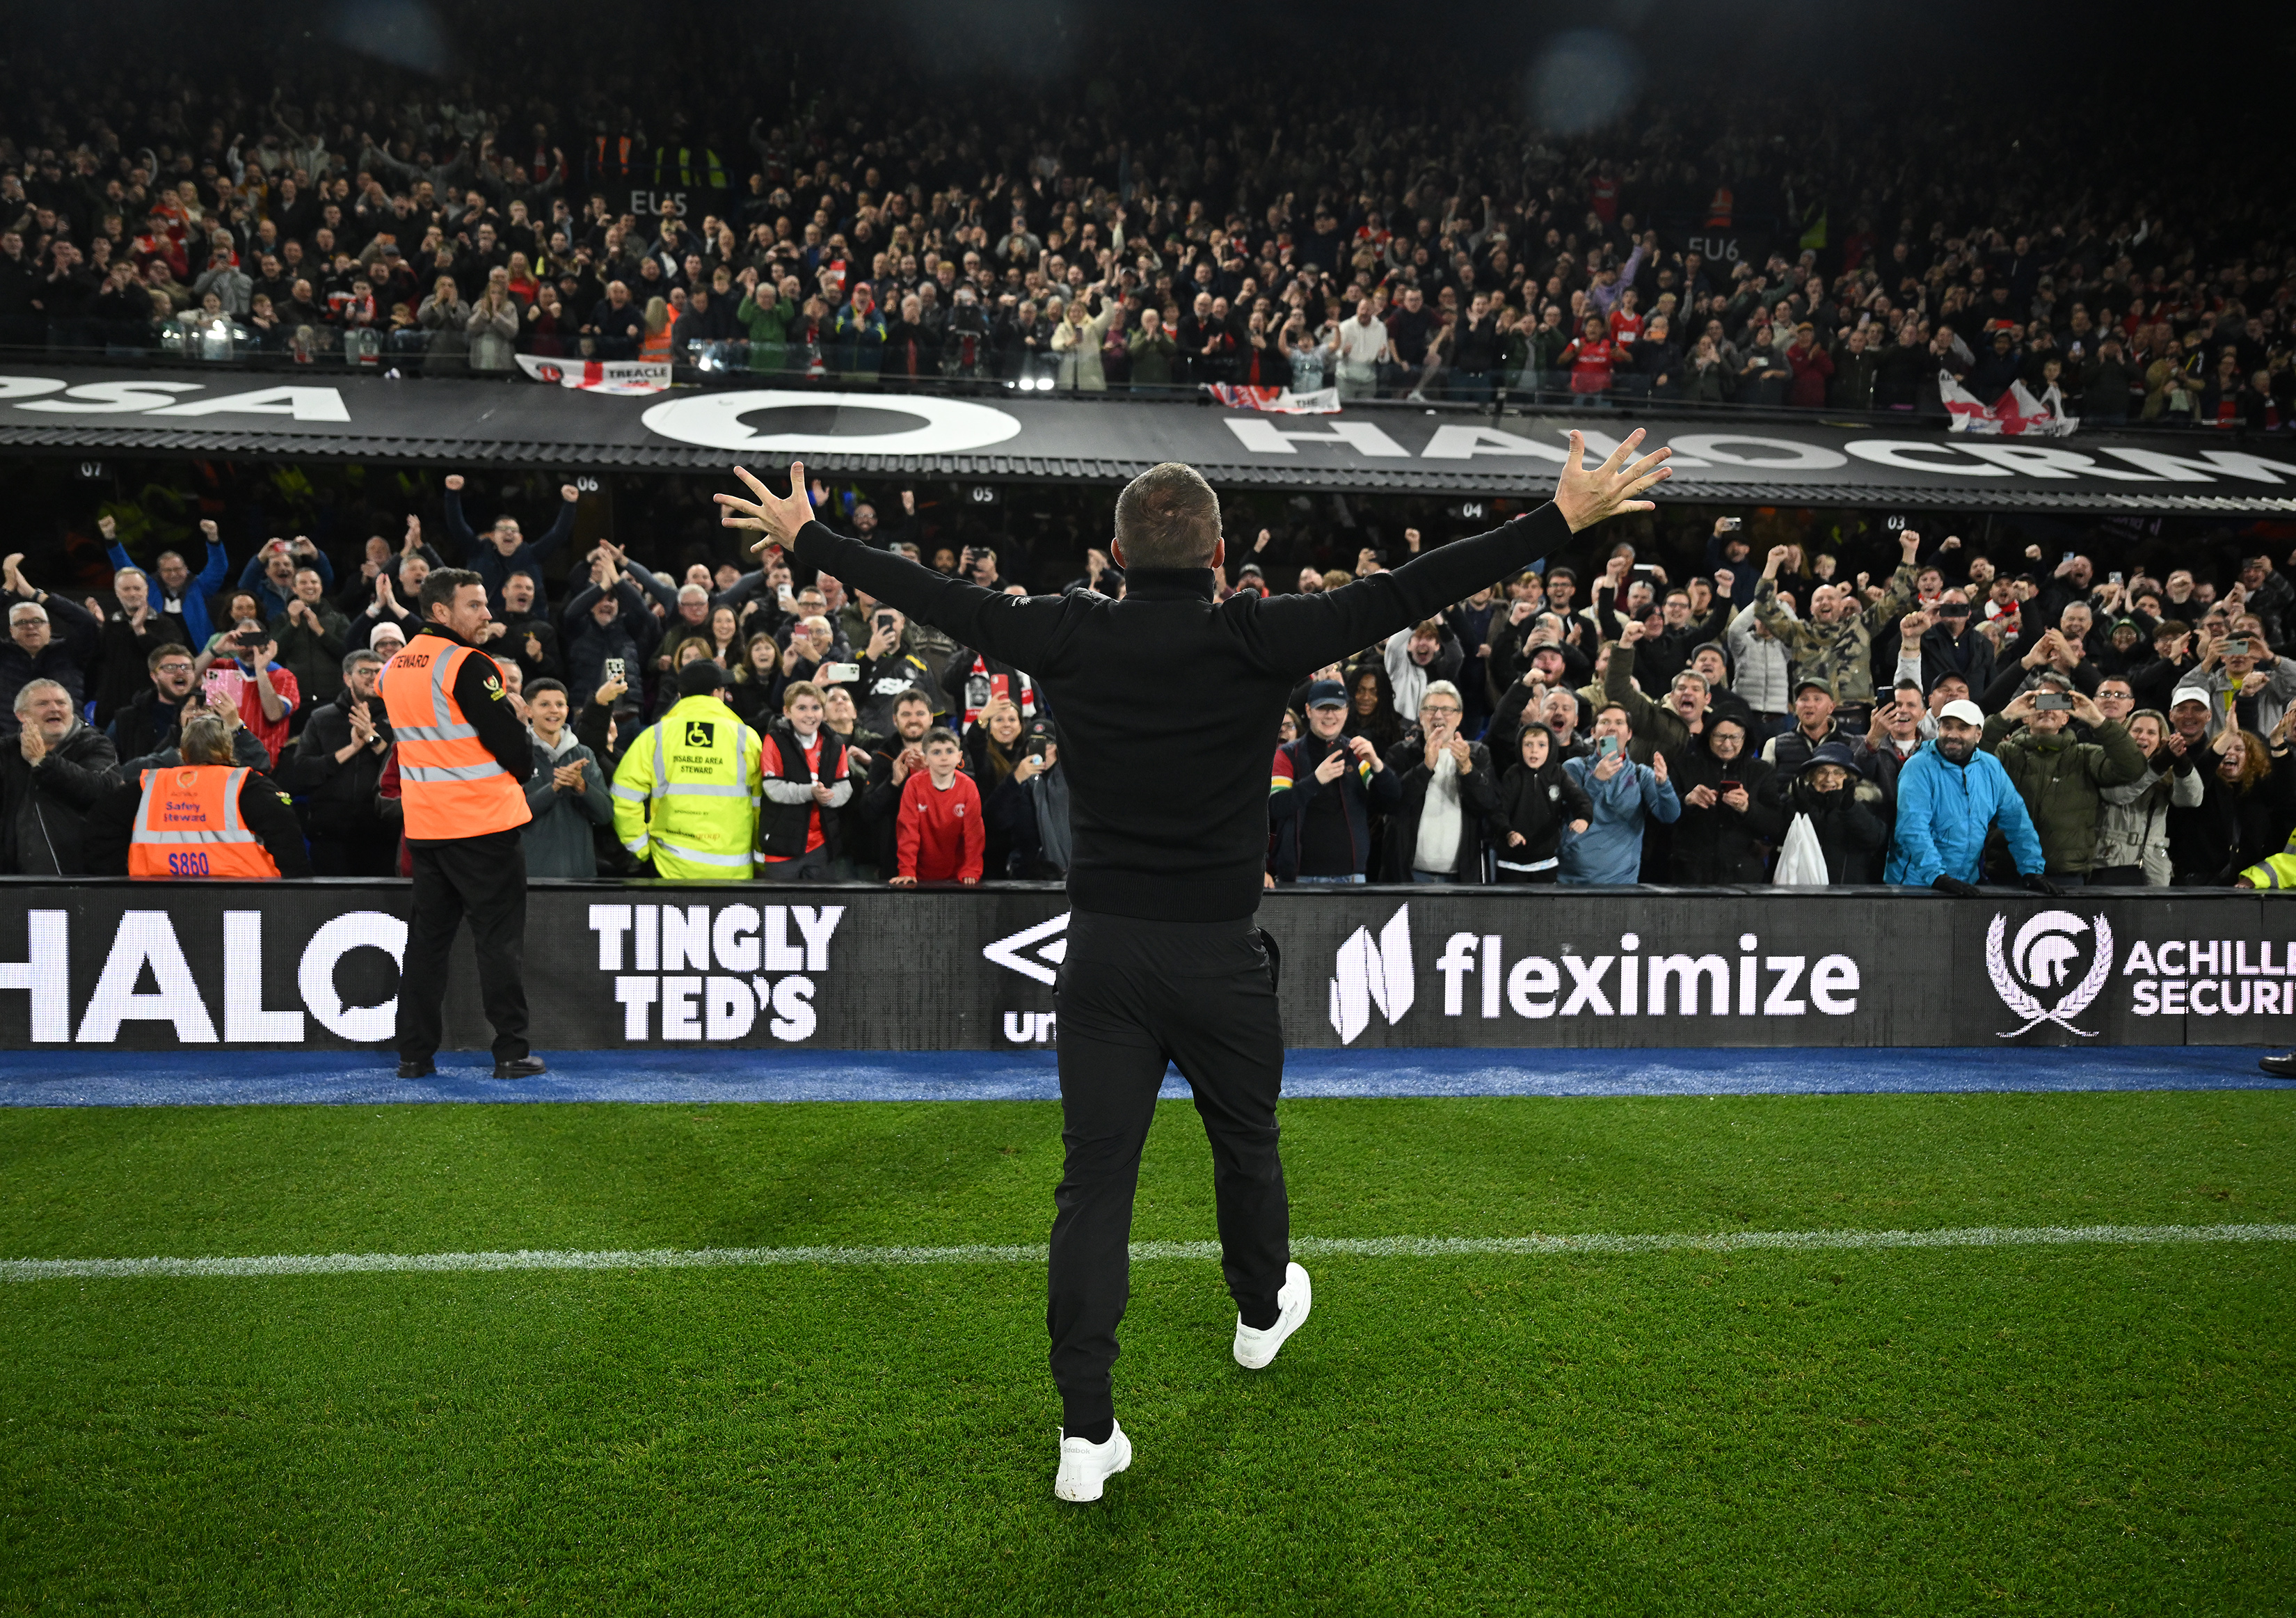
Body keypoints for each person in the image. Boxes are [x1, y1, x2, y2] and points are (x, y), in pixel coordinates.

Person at [715, 429, 1671, 1502]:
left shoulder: (1070, 634)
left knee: (1094, 1186)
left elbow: (938, 596)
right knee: (1246, 1143)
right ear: (1219, 556)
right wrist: (1558, 522)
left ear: (1116, 559)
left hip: (1106, 957)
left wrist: (813, 539)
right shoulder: (1256, 637)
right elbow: (1408, 588)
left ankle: (1086, 1433)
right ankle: (1261, 1310)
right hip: (1219, 958)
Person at [375, 569, 543, 1080]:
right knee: (498, 943)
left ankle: (414, 1055)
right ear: (442, 611)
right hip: (483, 825)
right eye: (475, 605)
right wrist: (518, 719)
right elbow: (511, 749)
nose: (488, 613)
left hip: (427, 827)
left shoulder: (395, 667)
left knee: (427, 944)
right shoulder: (469, 664)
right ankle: (511, 1052)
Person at [83, 714, 312, 878]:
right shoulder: (248, 785)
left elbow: (101, 823)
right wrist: (295, 886)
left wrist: (116, 876)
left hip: (155, 894)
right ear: (229, 749)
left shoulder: (149, 786)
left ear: (182, 753)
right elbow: (286, 837)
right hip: (243, 896)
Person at [1882, 699, 2055, 896]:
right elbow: (1913, 828)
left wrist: (2032, 871)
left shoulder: (1991, 767)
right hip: (1914, 884)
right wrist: (1937, 877)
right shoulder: (1918, 767)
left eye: (1963, 728)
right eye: (1947, 727)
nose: (1952, 735)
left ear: (1978, 734)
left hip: (1965, 885)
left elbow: (2017, 821)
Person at [1981, 682, 2148, 885]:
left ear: (2066, 718)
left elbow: (2132, 768)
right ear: (2025, 716)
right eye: (2040, 703)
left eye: (2056, 703)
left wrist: (2098, 721)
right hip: (2007, 870)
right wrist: (2005, 716)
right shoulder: (2005, 753)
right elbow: (1970, 760)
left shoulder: (2085, 756)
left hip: (2065, 875)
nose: (2048, 709)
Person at [610, 658, 764, 879]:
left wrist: (642, 849)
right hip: (734, 870)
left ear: (681, 696)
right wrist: (759, 858)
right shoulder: (746, 738)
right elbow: (760, 805)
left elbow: (623, 797)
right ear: (717, 693)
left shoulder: (656, 736)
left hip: (670, 868)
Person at [1268, 678, 1398, 883]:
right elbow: (1276, 807)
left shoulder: (1356, 753)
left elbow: (1392, 802)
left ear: (1346, 712)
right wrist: (1317, 780)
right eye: (1323, 708)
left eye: (1336, 708)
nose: (1330, 715)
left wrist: (1377, 764)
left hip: (1352, 877)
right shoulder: (1287, 755)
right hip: (1300, 878)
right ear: (1309, 710)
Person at [287, 650, 397, 875]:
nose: (372, 677)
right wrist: (352, 749)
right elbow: (302, 772)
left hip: (382, 836)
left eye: (378, 671)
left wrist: (373, 739)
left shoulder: (399, 717)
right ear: (347, 678)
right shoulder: (322, 718)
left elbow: (406, 769)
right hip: (330, 837)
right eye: (364, 671)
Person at [1382, 681, 1496, 884]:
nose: (1438, 715)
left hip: (1460, 878)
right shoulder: (1400, 754)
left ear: (1460, 717)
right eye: (1431, 709)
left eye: (1446, 709)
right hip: (1409, 876)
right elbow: (1393, 804)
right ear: (1421, 716)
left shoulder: (1478, 754)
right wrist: (1425, 767)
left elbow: (1487, 806)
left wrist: (1467, 769)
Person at [1, 678, 118, 875]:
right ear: (21, 715)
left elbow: (101, 790)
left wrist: (43, 761)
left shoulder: (96, 745)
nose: (54, 709)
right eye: (43, 704)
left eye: (61, 703)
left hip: (77, 874)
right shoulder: (6, 751)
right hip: (10, 879)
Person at [1558, 704, 1680, 883]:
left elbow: (1670, 816)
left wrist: (1663, 785)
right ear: (1593, 732)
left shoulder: (1642, 774)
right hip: (1572, 879)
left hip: (1621, 882)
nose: (1612, 727)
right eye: (1605, 722)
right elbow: (1566, 812)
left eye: (1619, 722)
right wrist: (1596, 780)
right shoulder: (1574, 767)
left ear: (1629, 734)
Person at [758, 679, 854, 880]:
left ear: (824, 712)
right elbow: (773, 788)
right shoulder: (774, 740)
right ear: (787, 712)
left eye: (816, 708)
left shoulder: (835, 743)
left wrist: (829, 796)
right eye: (802, 708)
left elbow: (844, 785)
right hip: (781, 847)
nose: (810, 715)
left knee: (820, 908)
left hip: (822, 847)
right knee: (780, 910)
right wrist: (811, 792)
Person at [521, 677, 612, 878]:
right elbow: (513, 816)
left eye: (560, 705)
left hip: (581, 877)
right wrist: (554, 788)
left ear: (567, 711)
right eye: (545, 704)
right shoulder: (516, 752)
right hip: (532, 878)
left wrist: (581, 786)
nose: (554, 710)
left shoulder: (584, 755)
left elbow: (605, 815)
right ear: (529, 711)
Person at [1489, 722, 1591, 883]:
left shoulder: (1559, 774)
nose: (1534, 750)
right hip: (1511, 864)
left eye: (1541, 745)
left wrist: (1583, 818)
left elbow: (1580, 800)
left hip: (1546, 863)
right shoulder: (1512, 775)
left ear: (1551, 748)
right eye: (1528, 744)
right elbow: (1499, 811)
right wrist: (1508, 833)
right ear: (1519, 747)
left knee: (1543, 909)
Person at [893, 725, 984, 885]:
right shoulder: (913, 785)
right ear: (926, 759)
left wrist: (971, 869)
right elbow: (908, 830)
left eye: (949, 751)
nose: (944, 757)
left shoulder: (968, 787)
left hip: (959, 876)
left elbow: (974, 834)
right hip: (919, 875)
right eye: (936, 752)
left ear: (959, 756)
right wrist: (907, 869)